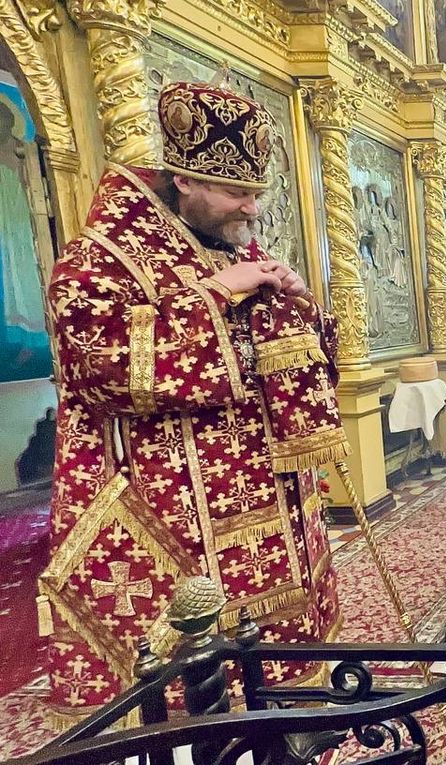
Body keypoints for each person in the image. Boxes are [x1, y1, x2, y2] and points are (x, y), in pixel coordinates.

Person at [43, 82, 343, 724]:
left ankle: (282, 727)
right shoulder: (100, 256)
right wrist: (214, 295)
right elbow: (98, 364)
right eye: (236, 193)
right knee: (195, 693)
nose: (252, 209)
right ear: (184, 180)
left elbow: (286, 356)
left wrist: (299, 307)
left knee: (277, 692)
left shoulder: (231, 244)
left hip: (268, 499)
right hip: (170, 511)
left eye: (257, 192)